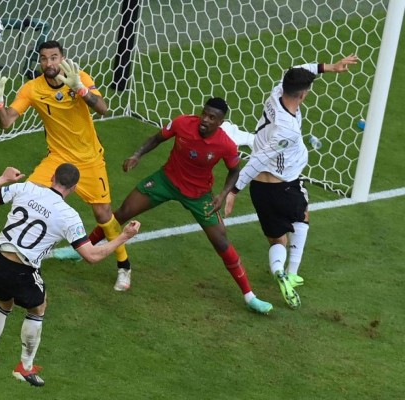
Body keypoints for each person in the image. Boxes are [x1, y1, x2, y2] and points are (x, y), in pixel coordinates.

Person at [86, 97, 273, 314]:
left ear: (220, 122)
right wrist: (136, 155)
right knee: (123, 212)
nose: (205, 120)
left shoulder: (226, 145)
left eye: (212, 118)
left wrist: (222, 195)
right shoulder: (183, 123)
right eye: (204, 113)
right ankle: (87, 247)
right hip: (166, 181)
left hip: (199, 195)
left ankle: (250, 297)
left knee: (221, 241)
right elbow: (156, 139)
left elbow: (234, 171)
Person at [0, 40, 134, 292]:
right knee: (28, 195)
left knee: (103, 215)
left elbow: (103, 109)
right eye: (44, 58)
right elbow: (6, 123)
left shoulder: (78, 76)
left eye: (54, 57)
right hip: (57, 158)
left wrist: (80, 89)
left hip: (90, 159)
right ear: (39, 61)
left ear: (62, 58)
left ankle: (124, 266)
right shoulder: (32, 88)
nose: (49, 63)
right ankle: (24, 254)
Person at [0, 163, 141, 386]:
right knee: (38, 307)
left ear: (52, 177)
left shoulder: (27, 188)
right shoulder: (69, 216)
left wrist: (4, 178)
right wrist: (124, 237)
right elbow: (91, 256)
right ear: (73, 188)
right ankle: (25, 367)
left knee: (4, 303)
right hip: (21, 270)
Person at [224, 54, 359, 309]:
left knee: (277, 240)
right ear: (304, 95)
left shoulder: (277, 92)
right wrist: (233, 190)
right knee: (303, 216)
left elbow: (297, 69)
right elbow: (260, 160)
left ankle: (278, 273)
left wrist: (329, 67)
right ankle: (292, 272)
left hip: (260, 190)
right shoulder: (287, 129)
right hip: (283, 184)